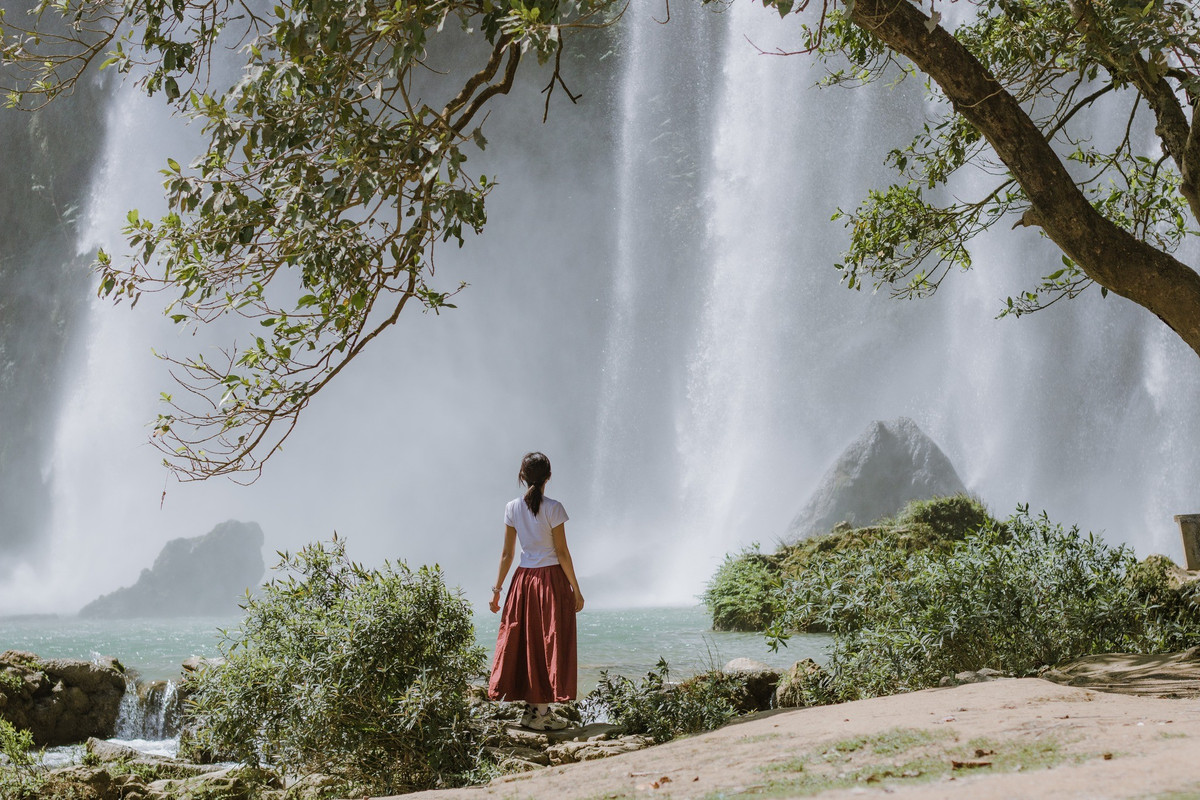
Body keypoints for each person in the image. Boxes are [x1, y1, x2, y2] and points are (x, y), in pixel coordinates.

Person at [488, 451, 585, 731]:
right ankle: (541, 714)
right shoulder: (554, 508)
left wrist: (497, 591)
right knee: (548, 641)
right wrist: (575, 589)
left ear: (522, 477)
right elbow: (562, 553)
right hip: (550, 580)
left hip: (523, 582)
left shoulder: (511, 507)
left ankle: (533, 710)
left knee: (527, 641)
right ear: (549, 478)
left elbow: (507, 555)